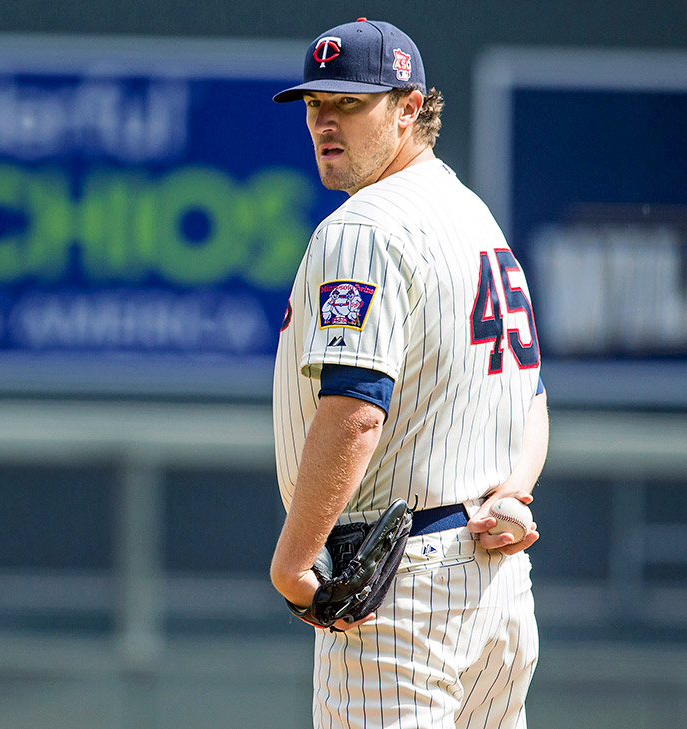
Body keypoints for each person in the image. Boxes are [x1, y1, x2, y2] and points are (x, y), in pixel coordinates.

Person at [267, 18, 548, 729]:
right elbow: (532, 395)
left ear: (409, 107)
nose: (325, 121)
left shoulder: (365, 226)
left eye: (351, 103)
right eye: (315, 104)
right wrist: (516, 489)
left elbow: (358, 408)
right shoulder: (473, 216)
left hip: (398, 589)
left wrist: (294, 564)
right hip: (496, 592)